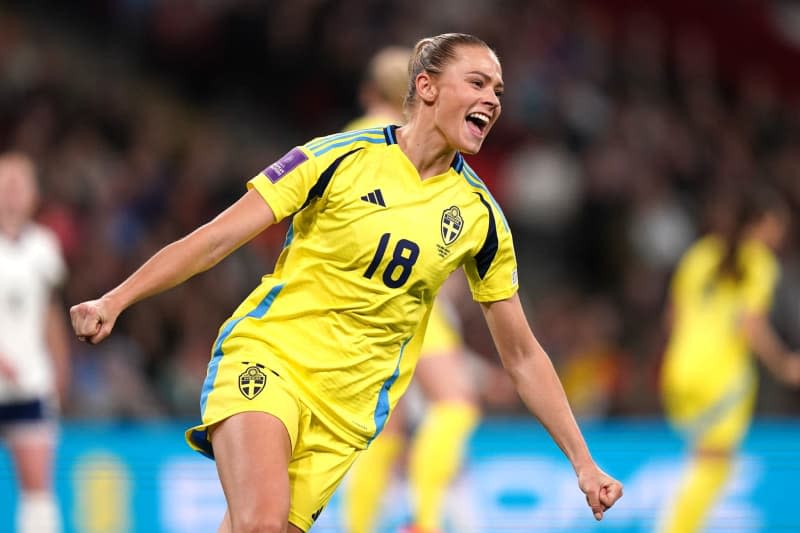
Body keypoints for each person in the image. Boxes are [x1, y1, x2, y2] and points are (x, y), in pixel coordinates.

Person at [70, 33, 623, 532]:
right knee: (260, 522)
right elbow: (216, 238)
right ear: (426, 87)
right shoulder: (335, 157)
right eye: (477, 82)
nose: (493, 101)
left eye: (498, 91)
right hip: (271, 358)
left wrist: (582, 461)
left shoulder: (480, 219)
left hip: (347, 412)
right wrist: (116, 300)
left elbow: (522, 355)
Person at [341, 45, 482, 533]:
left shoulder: (342, 139)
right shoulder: (403, 141)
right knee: (455, 404)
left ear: (366, 91)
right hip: (403, 297)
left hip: (353, 302)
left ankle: (359, 526)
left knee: (386, 428)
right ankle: (423, 520)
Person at [658, 186, 800, 533]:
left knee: (702, 461)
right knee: (715, 467)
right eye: (777, 225)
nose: (780, 235)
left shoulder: (700, 254)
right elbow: (750, 325)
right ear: (762, 224)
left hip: (677, 371)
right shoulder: (759, 262)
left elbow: (670, 319)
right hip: (721, 379)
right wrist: (784, 365)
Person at [0, 152, 70, 533]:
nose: (12, 193)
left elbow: (50, 312)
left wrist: (60, 367)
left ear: (33, 193)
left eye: (19, 184)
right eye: (5, 184)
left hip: (30, 380)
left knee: (38, 489)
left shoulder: (44, 247)